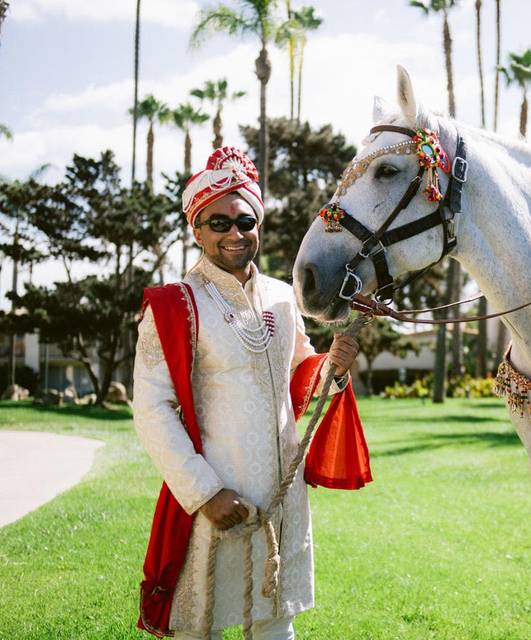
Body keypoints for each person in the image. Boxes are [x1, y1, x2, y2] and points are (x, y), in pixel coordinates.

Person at [132, 146, 369, 640]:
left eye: (245, 221)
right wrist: (205, 493)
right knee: (201, 626)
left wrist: (333, 368)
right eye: (218, 223)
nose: (234, 234)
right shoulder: (175, 306)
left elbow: (303, 379)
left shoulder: (284, 298)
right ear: (196, 229)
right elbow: (152, 409)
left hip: (282, 498)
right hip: (214, 501)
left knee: (276, 624)